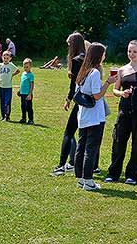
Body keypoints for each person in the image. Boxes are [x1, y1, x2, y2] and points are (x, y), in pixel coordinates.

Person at [104, 40, 137, 185]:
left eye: (135, 51)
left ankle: (132, 175)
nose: (131, 54)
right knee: (118, 142)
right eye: (129, 51)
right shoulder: (122, 70)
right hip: (124, 111)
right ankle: (113, 174)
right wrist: (122, 93)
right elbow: (115, 89)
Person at [75, 42, 117, 191]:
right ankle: (88, 180)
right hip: (94, 117)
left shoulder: (84, 70)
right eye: (104, 53)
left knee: (82, 147)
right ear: (99, 55)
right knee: (91, 149)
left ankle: (80, 179)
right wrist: (108, 83)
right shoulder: (95, 73)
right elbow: (97, 95)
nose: (105, 55)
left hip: (83, 115)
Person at [50, 32, 86, 176]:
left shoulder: (77, 60)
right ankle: (80, 164)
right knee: (87, 135)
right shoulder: (88, 58)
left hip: (81, 101)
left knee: (68, 133)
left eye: (69, 45)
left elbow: (74, 84)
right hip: (90, 101)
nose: (68, 48)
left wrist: (69, 99)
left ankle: (61, 166)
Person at [0, 50, 20, 121]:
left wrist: (12, 75)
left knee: (7, 102)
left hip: (8, 87)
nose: (5, 60)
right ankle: (2, 116)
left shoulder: (11, 65)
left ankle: (7, 116)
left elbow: (18, 71)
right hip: (1, 86)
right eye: (4, 58)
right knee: (2, 101)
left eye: (7, 58)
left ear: (10, 58)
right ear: (2, 57)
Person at [18, 58, 34, 124]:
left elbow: (32, 85)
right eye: (24, 67)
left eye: (27, 67)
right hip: (22, 93)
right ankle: (23, 118)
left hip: (28, 94)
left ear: (30, 67)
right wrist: (20, 90)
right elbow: (22, 83)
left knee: (29, 107)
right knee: (23, 106)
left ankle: (31, 119)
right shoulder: (23, 74)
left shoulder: (31, 75)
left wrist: (30, 93)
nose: (25, 68)